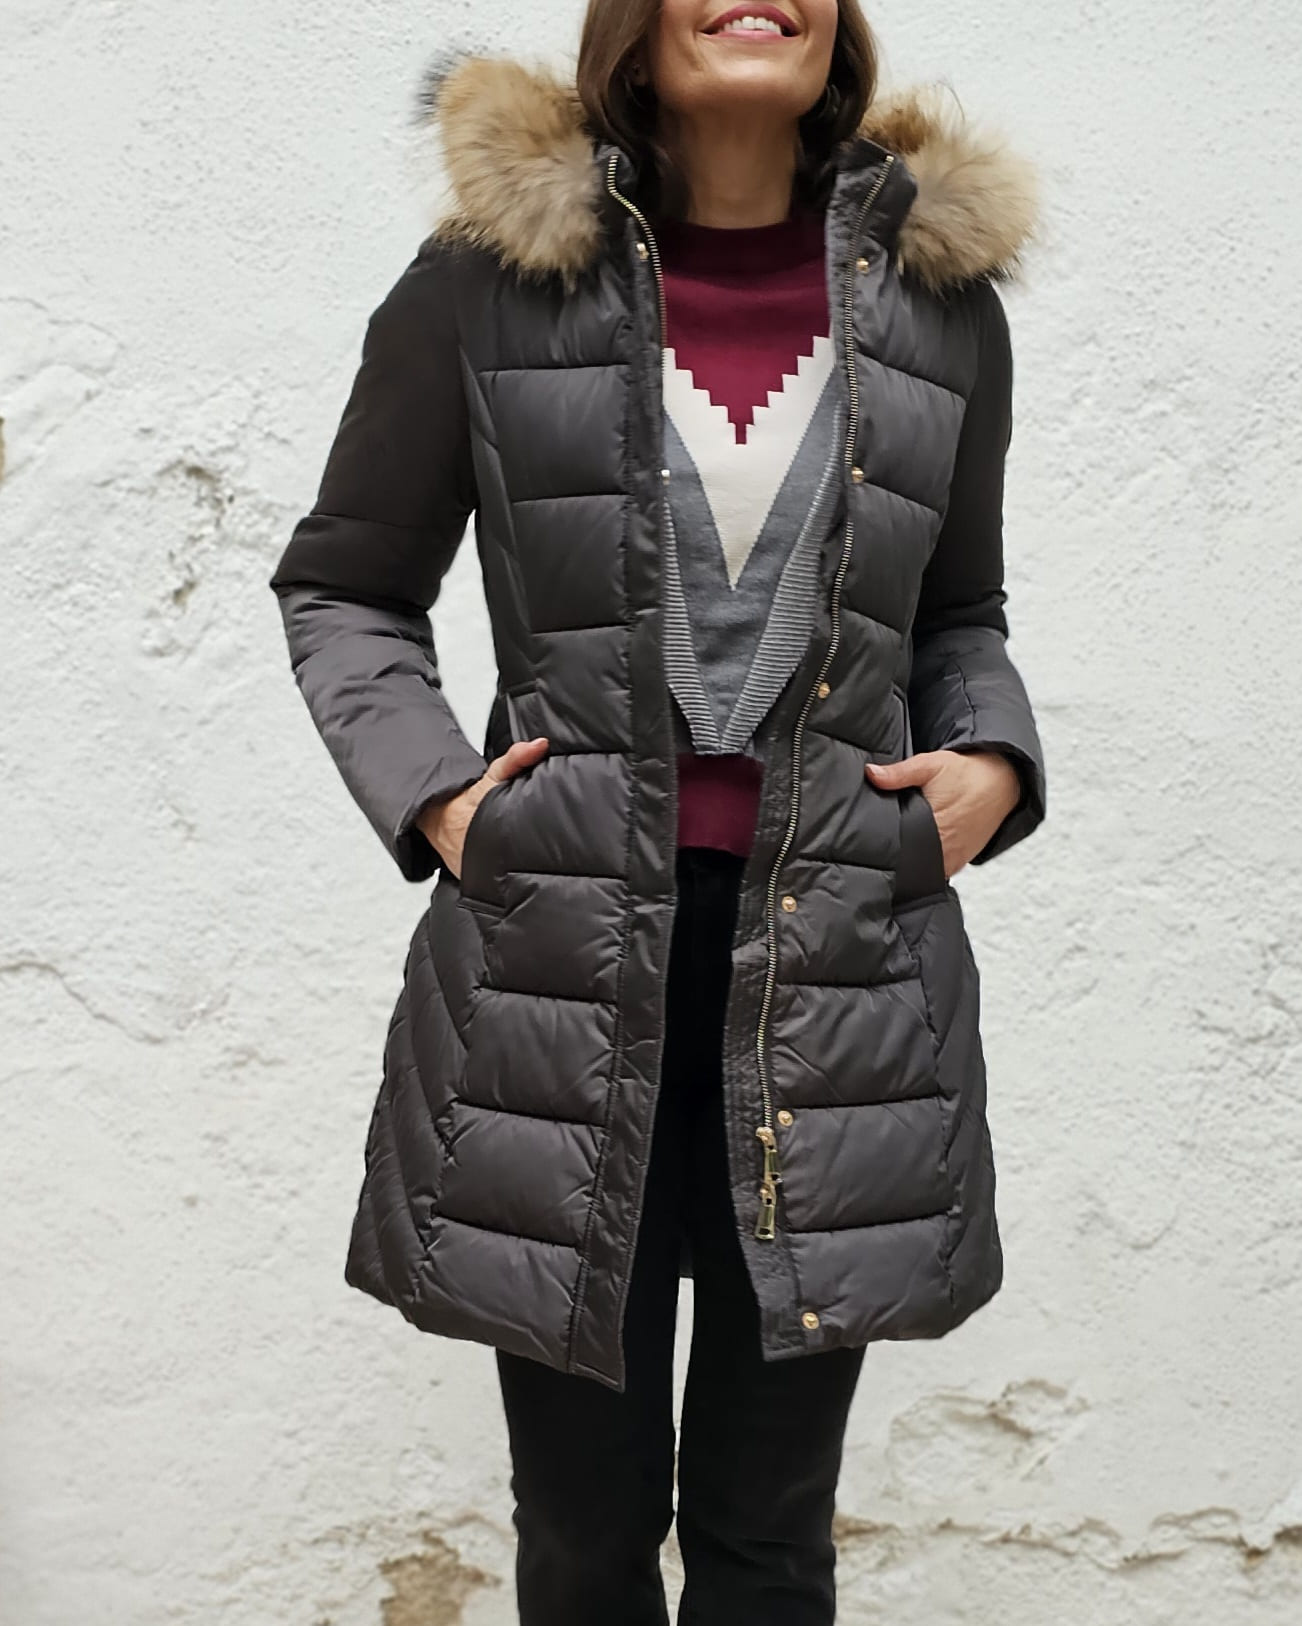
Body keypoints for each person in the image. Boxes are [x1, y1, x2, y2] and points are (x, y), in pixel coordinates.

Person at [267, 2, 1046, 1620]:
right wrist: (442, 798)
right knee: (583, 1533)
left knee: (771, 1534)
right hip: (559, 980)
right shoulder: (485, 285)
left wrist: (992, 761)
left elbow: (958, 614)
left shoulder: (936, 303)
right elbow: (345, 587)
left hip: (834, 979)